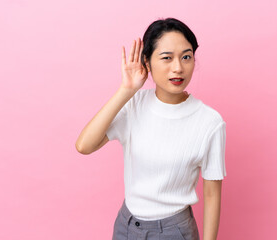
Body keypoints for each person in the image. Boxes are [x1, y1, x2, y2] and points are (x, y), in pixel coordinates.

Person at [75, 17, 226, 240]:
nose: (178, 68)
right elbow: (84, 145)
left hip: (174, 231)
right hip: (126, 226)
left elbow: (212, 194)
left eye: (186, 57)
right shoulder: (134, 104)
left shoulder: (210, 122)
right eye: (167, 58)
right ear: (147, 62)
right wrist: (127, 90)